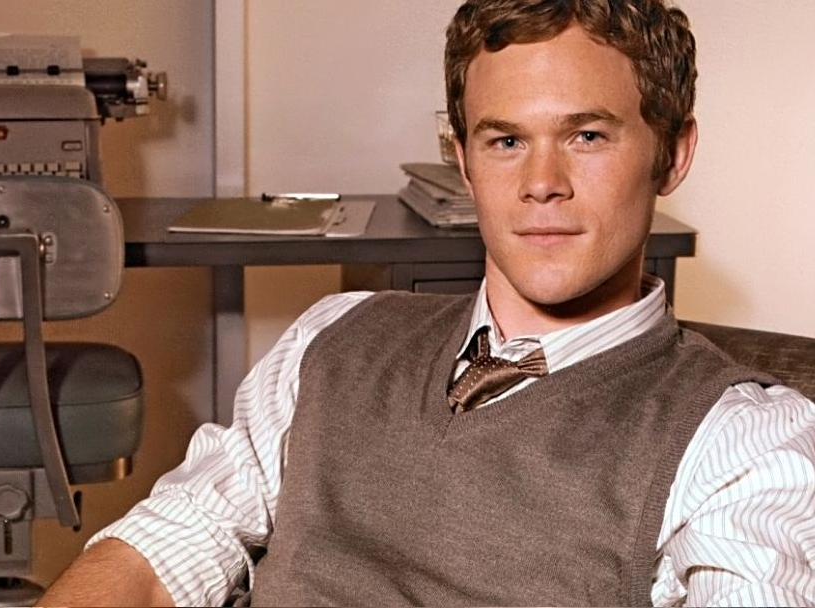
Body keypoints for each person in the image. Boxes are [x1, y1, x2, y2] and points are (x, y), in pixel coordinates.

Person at [41, 0, 815, 605]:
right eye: (505, 141)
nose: (541, 182)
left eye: (586, 136)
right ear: (462, 162)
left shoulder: (743, 445)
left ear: (672, 154)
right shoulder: (331, 337)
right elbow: (166, 545)